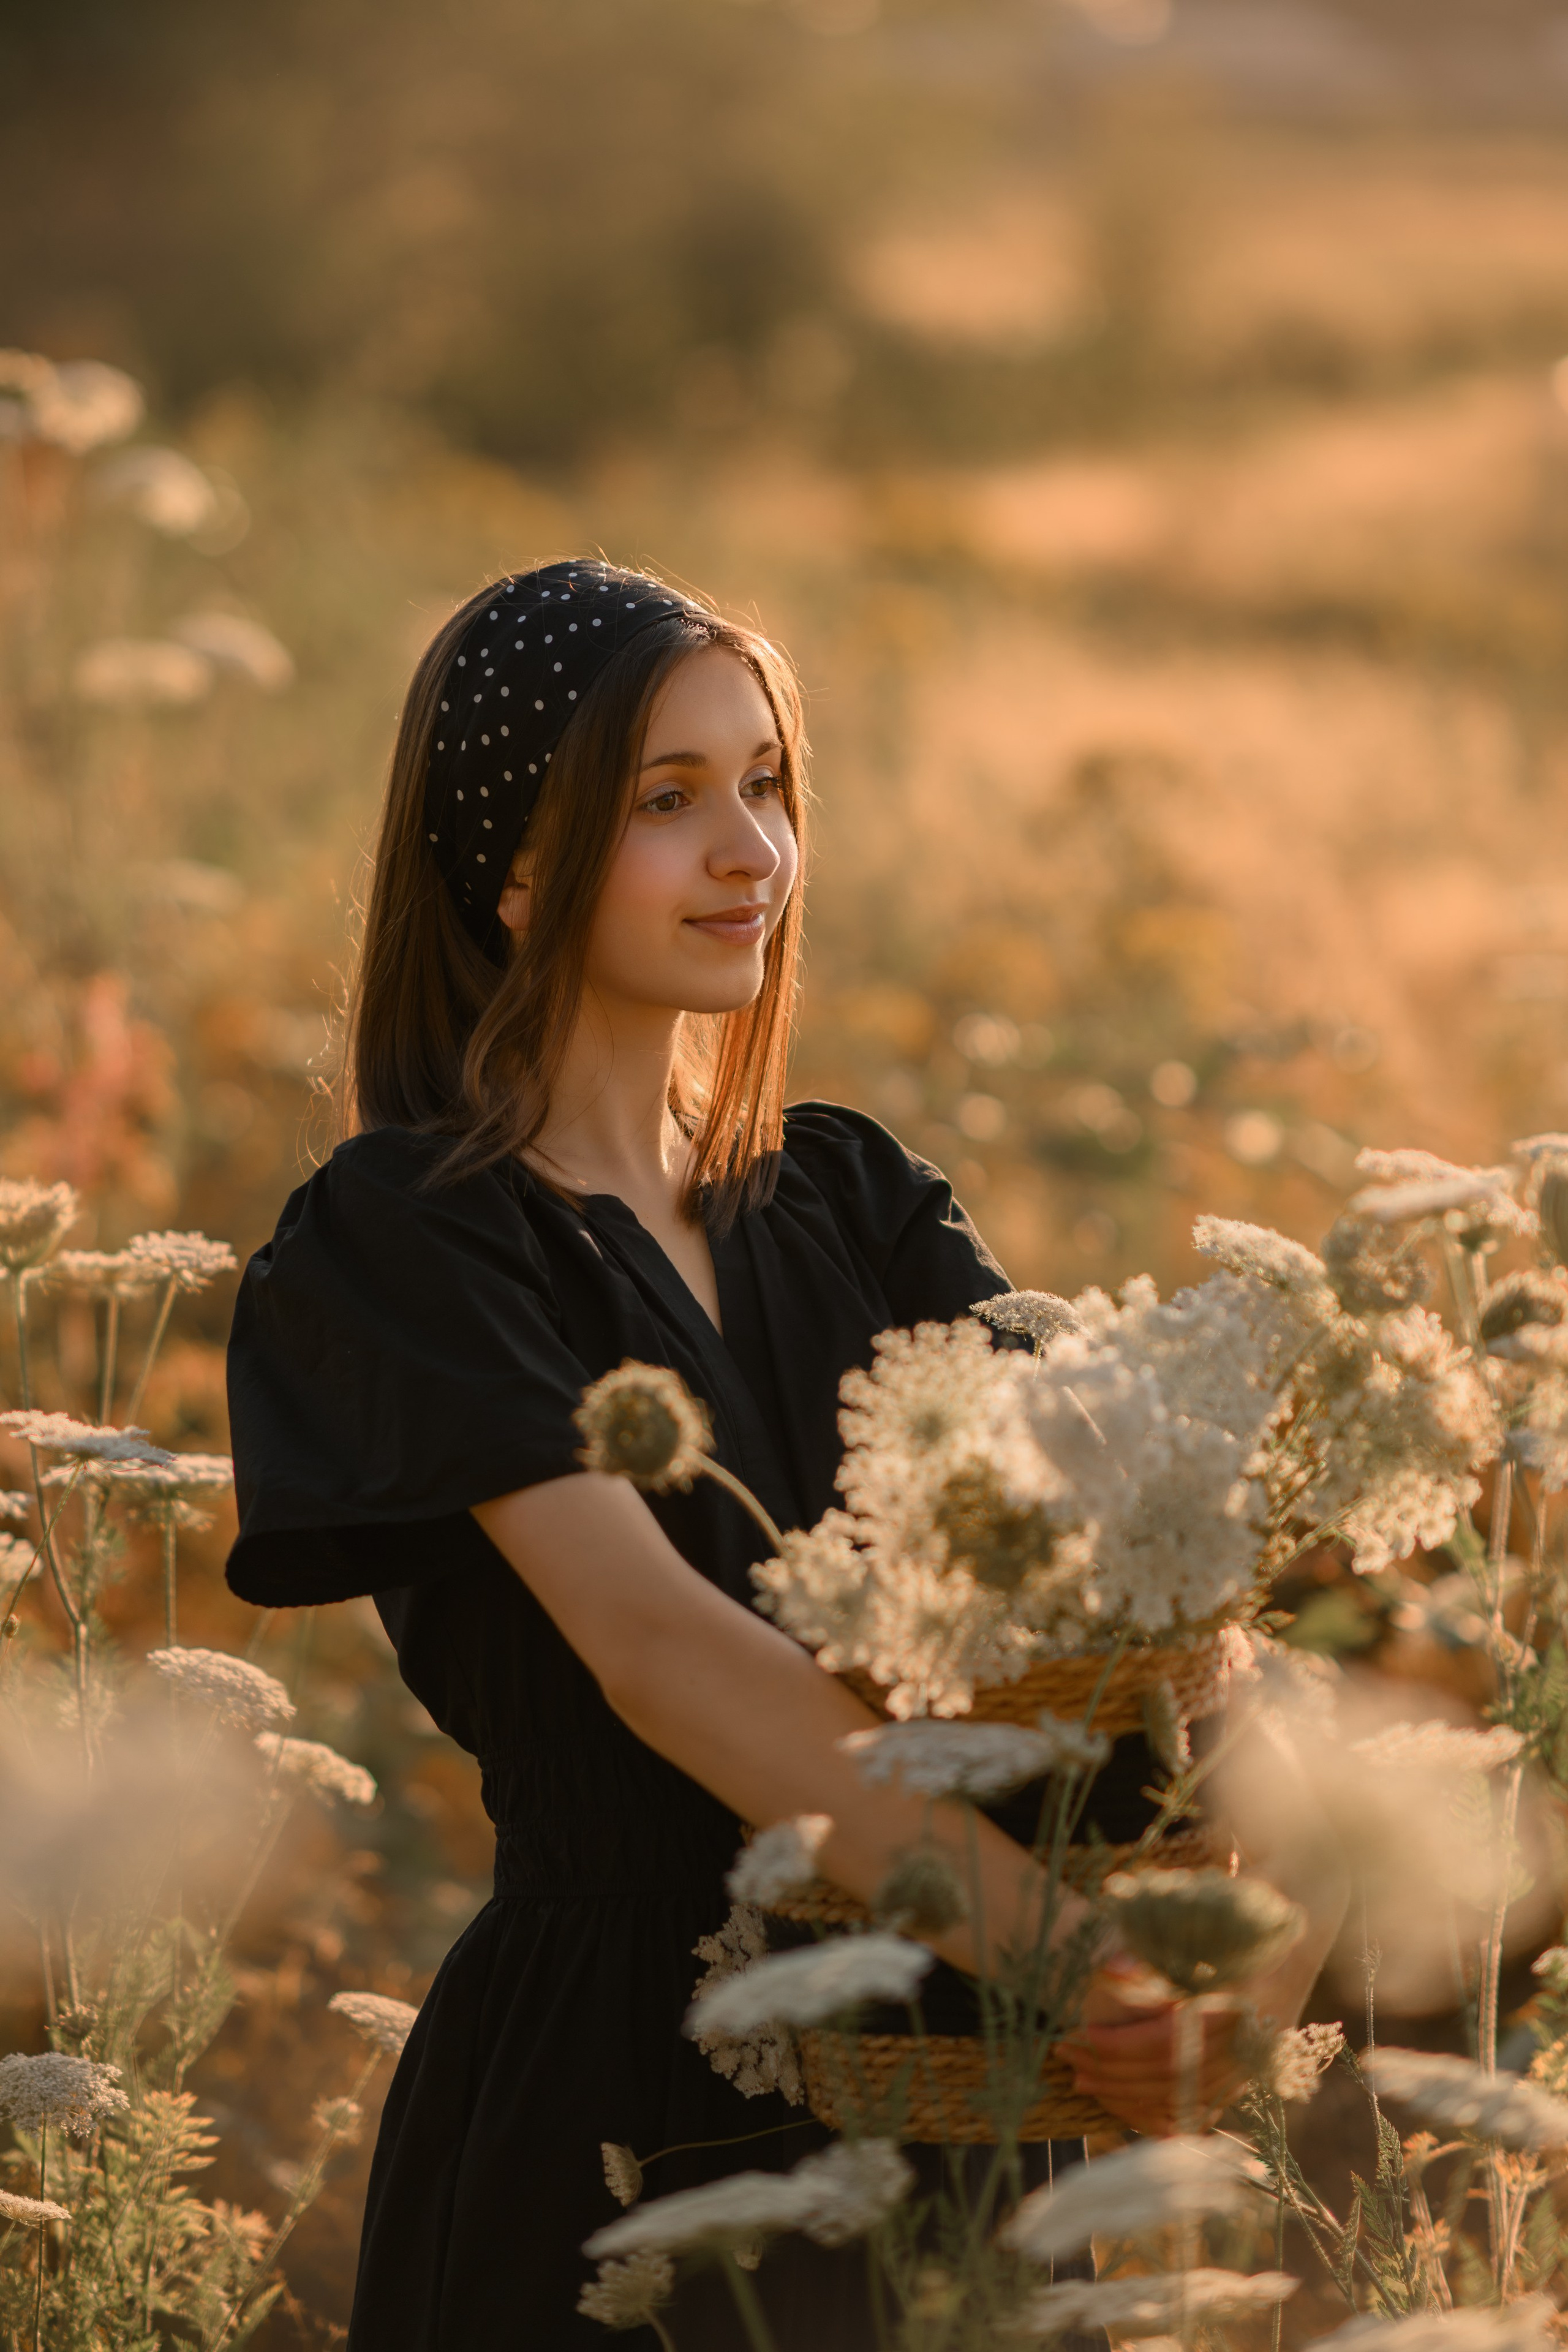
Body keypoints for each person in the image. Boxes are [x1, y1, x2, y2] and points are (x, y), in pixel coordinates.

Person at [225, 561, 1332, 2349]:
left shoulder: (853, 1198)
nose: (750, 849)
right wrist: (1067, 1962)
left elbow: (1126, 1560)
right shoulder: (414, 1237)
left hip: (957, 2095)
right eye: (667, 801)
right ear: (513, 868)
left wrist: (1248, 1879)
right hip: (621, 2110)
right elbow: (659, 1652)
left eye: (766, 785)